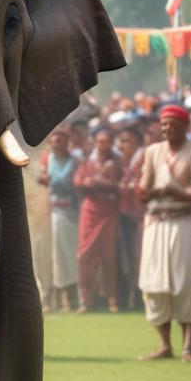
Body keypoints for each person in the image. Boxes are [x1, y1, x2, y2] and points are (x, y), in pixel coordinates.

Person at [137, 104, 191, 361]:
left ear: (185, 127)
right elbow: (144, 189)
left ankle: (189, 345)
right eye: (164, 124)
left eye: (173, 125)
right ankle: (164, 344)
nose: (168, 129)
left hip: (185, 222)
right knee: (154, 284)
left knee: (185, 283)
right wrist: (151, 190)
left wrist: (173, 190)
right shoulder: (152, 152)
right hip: (156, 222)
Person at [74, 127, 121, 313]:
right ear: (95, 142)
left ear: (111, 143)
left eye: (106, 142)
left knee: (109, 255)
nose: (103, 146)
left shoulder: (116, 161)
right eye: (100, 142)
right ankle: (86, 299)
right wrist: (88, 182)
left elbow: (123, 185)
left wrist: (101, 183)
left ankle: (111, 297)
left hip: (109, 210)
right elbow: (78, 180)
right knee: (85, 254)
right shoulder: (87, 160)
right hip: (90, 209)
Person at [41, 128, 79, 312]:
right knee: (51, 256)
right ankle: (56, 298)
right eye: (54, 141)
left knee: (68, 255)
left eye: (61, 141)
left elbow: (69, 184)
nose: (57, 145)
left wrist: (50, 181)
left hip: (69, 212)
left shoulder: (74, 161)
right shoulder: (47, 160)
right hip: (49, 213)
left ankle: (71, 298)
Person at [117, 127, 145, 311]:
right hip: (124, 213)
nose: (124, 145)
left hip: (141, 214)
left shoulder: (145, 158)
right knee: (128, 257)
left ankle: (141, 297)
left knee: (140, 255)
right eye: (122, 141)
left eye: (128, 141)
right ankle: (130, 296)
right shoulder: (121, 160)